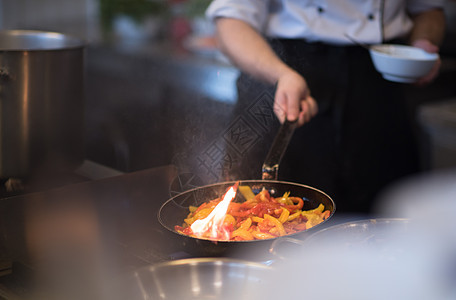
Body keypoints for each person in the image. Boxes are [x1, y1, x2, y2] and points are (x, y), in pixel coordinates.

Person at [205, 0, 446, 214]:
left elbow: (429, 9)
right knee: (266, 221)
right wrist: (281, 74)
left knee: (384, 219)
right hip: (281, 72)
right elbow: (230, 21)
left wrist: (422, 44)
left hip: (377, 83)